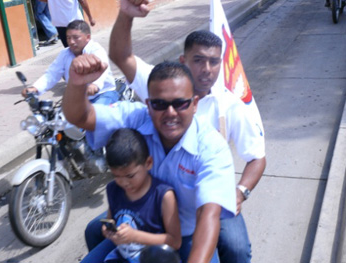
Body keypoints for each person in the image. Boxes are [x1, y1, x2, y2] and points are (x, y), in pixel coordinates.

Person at [108, 1, 266, 262]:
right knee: (96, 232)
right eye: (199, 60)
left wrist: (240, 192)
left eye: (214, 62)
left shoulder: (231, 106)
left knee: (237, 249)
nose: (207, 69)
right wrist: (126, 15)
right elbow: (121, 56)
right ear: (183, 60)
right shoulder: (161, 83)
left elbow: (258, 157)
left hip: (204, 200)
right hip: (154, 197)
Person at [63, 58, 237, 263]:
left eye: (180, 103)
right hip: (140, 225)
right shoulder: (136, 117)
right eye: (160, 104)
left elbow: (208, 214)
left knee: (233, 249)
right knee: (94, 231)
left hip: (187, 234)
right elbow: (81, 116)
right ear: (148, 104)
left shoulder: (212, 148)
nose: (170, 113)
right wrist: (76, 83)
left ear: (195, 104)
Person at [82, 128, 181, 263]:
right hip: (121, 255)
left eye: (130, 176)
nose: (123, 182)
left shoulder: (163, 196)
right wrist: (108, 232)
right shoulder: (113, 189)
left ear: (148, 163)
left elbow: (174, 241)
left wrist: (135, 236)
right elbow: (110, 220)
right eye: (116, 176)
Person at [21, 20, 119, 106]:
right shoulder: (65, 53)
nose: (71, 42)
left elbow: (102, 70)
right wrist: (35, 88)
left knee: (95, 121)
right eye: (68, 38)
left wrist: (95, 85)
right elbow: (52, 74)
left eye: (76, 37)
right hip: (78, 98)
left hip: (103, 94)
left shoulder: (96, 50)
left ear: (87, 37)